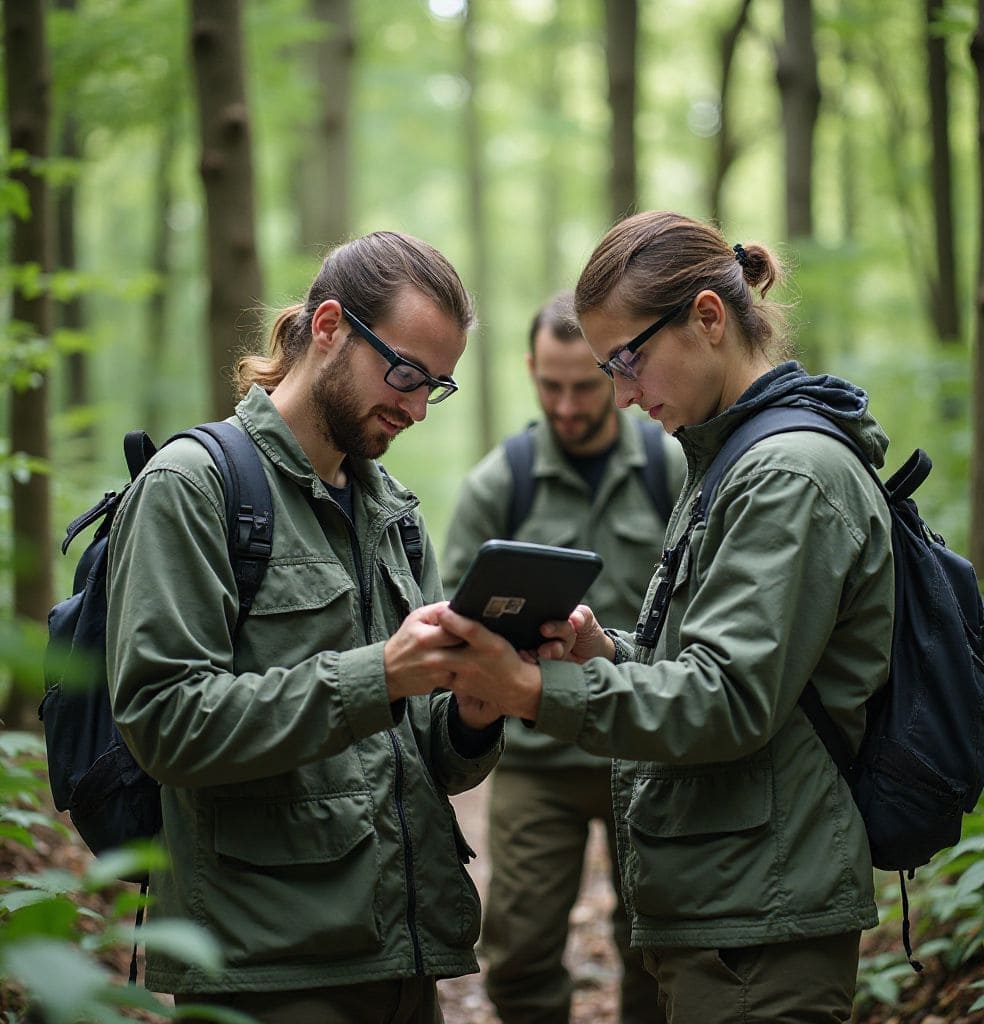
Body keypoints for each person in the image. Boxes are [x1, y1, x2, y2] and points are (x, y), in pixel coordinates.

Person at [436, 211, 896, 1024]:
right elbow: (718, 663)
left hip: (761, 917)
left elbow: (728, 698)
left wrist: (536, 691)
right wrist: (606, 655)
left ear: (708, 318)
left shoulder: (785, 475)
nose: (619, 394)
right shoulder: (729, 461)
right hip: (731, 901)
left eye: (627, 361)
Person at [106, 231, 505, 1024]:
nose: (416, 408)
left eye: (436, 386)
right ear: (328, 328)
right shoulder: (193, 487)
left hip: (405, 954)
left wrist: (472, 712)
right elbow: (164, 722)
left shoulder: (395, 516)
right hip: (265, 969)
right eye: (405, 374)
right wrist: (378, 675)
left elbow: (427, 758)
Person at [442, 291, 680, 1024]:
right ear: (530, 371)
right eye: (551, 386)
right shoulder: (499, 483)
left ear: (613, 372)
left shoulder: (669, 468)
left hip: (646, 747)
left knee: (657, 945)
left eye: (585, 385)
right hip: (537, 756)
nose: (568, 406)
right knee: (516, 951)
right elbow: (452, 613)